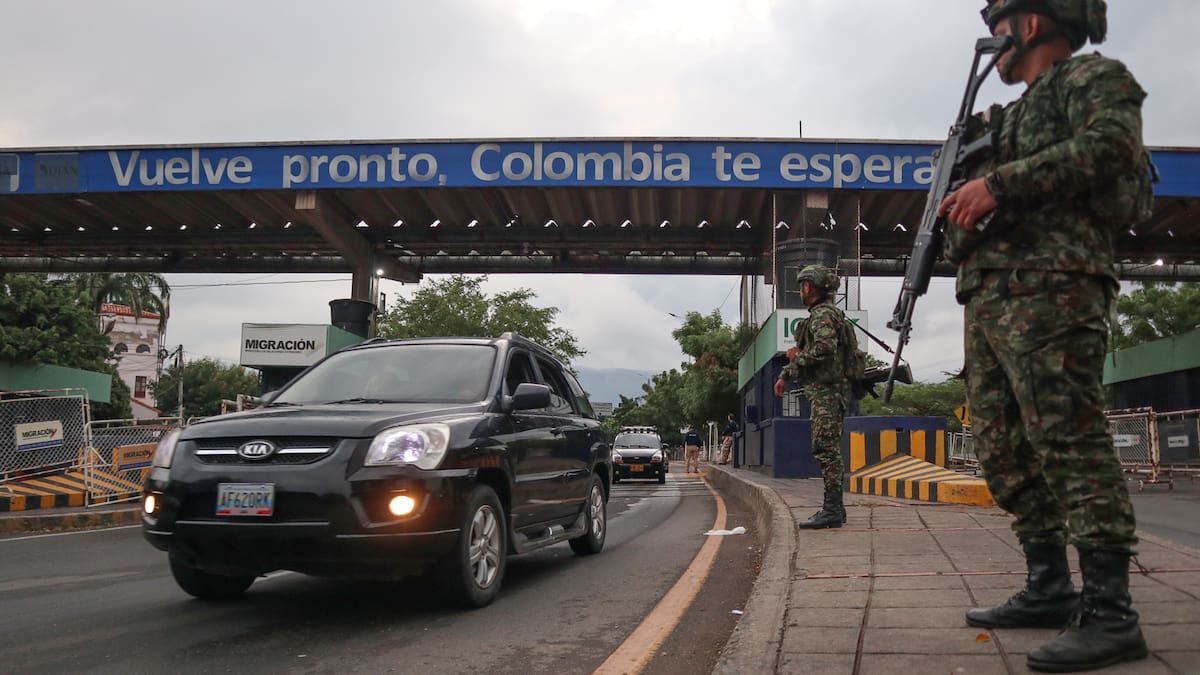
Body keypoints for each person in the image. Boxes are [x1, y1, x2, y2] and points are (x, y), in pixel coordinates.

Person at [937, 1, 1150, 671]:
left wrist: (999, 183)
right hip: (994, 296)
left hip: (1055, 287)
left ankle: (1112, 614)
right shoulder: (1007, 117)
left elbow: (1111, 145)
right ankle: (1049, 585)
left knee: (1069, 437)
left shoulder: (1093, 78)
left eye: (1001, 26)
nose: (992, 41)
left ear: (1031, 25)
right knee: (1001, 447)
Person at [774, 264, 855, 529]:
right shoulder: (825, 314)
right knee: (826, 448)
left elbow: (824, 349)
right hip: (827, 392)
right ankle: (836, 510)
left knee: (826, 449)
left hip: (828, 393)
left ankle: (832, 510)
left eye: (802, 285)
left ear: (809, 287)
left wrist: (798, 357)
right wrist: (785, 374)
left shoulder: (822, 315)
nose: (800, 290)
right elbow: (810, 351)